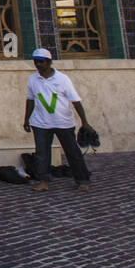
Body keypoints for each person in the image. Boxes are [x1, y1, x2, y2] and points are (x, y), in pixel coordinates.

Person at [23, 47, 92, 192]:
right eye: (36, 62)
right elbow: (30, 100)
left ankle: (82, 180)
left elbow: (76, 101)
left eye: (41, 62)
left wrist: (84, 122)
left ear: (49, 62)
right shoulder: (32, 79)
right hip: (40, 123)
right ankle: (43, 181)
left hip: (63, 123)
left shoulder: (62, 79)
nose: (38, 65)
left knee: (72, 152)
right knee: (42, 154)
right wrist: (26, 119)